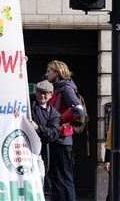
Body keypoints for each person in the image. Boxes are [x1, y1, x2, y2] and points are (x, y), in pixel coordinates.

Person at [45, 60, 83, 201]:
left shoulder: (66, 88)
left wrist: (58, 119)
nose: (46, 73)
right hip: (55, 137)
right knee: (55, 176)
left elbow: (78, 109)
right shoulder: (57, 86)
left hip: (62, 138)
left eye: (49, 71)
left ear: (57, 72)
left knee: (64, 177)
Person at [29, 80, 61, 191]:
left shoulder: (54, 114)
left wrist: (38, 128)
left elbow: (53, 134)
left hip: (40, 152)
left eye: (45, 93)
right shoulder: (28, 104)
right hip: (24, 148)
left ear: (51, 95)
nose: (42, 95)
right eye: (39, 92)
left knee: (40, 177)